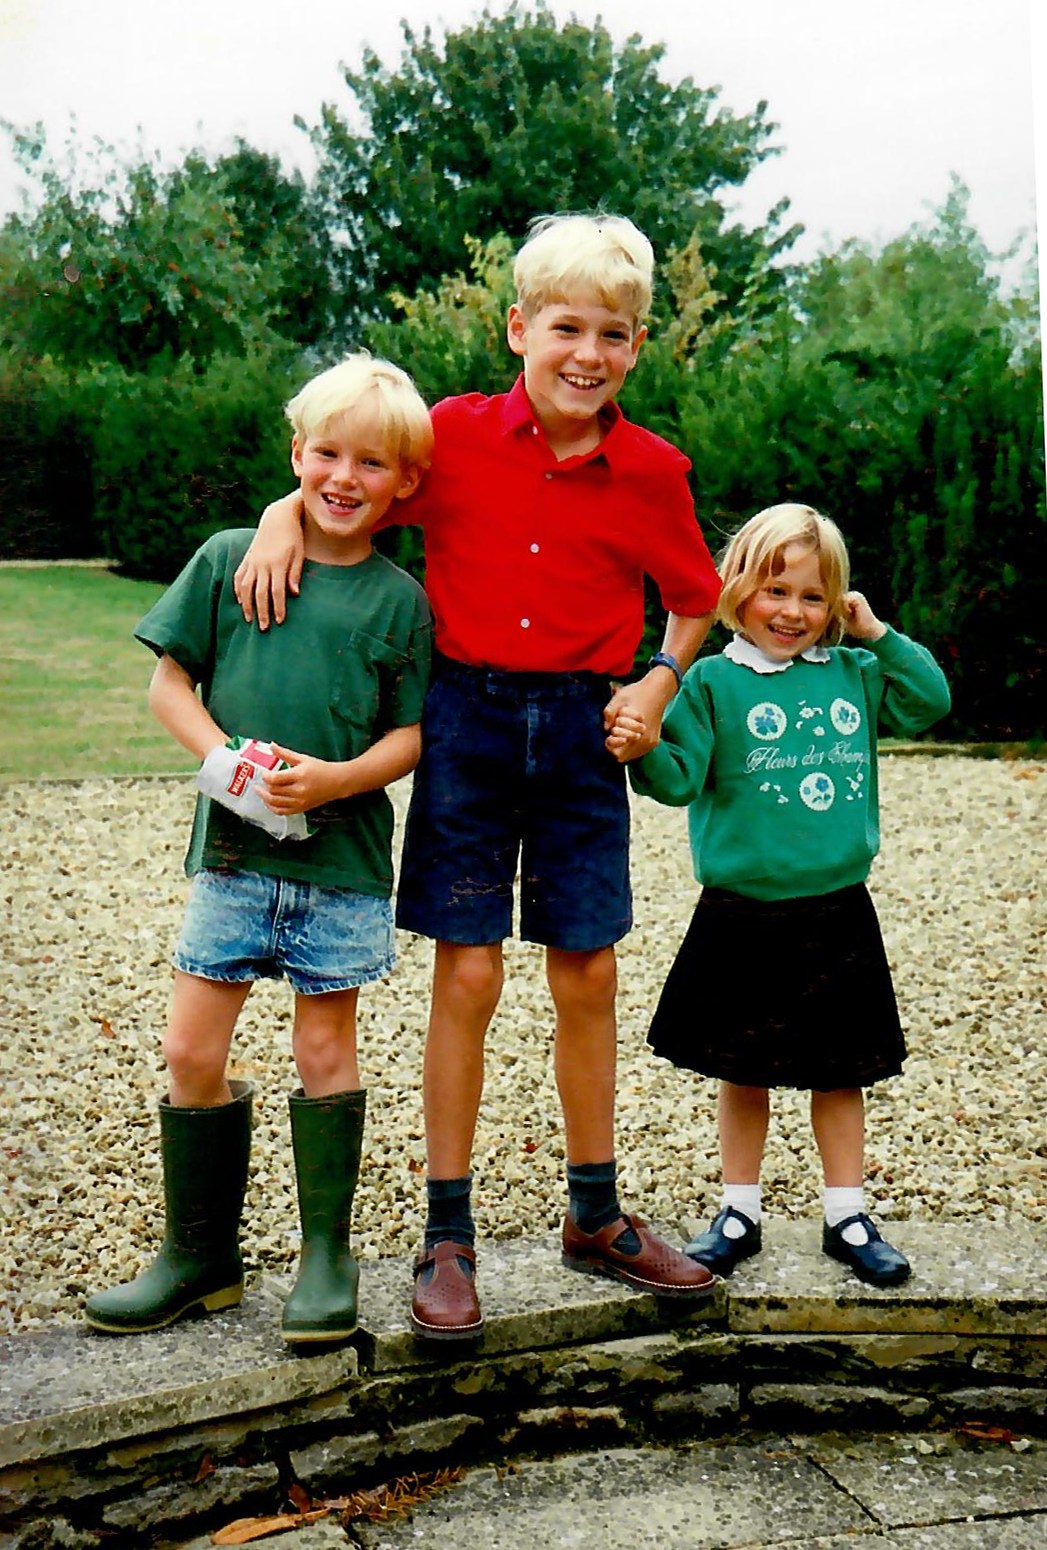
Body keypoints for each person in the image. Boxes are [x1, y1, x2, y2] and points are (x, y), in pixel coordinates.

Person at [234, 212, 722, 1341]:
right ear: (519, 328)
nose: (587, 352)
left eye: (614, 332)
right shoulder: (449, 436)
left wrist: (655, 683)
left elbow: (695, 594)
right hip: (466, 719)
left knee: (586, 972)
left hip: (582, 728)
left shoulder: (652, 470)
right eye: (565, 326)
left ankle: (594, 1213)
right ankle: (445, 1230)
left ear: (637, 346)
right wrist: (274, 513)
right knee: (468, 975)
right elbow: (342, 496)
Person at [84, 354, 434, 1342]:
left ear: (404, 482)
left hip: (342, 868)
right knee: (190, 1047)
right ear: (297, 455)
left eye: (373, 462)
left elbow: (410, 735)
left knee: (325, 1048)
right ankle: (200, 1253)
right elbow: (168, 686)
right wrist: (228, 762)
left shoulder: (401, 602)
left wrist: (332, 779)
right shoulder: (233, 558)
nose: (345, 476)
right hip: (234, 860)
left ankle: (328, 1253)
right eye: (327, 453)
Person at [626, 502, 951, 1288]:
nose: (792, 612)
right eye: (775, 591)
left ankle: (846, 1213)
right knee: (743, 1070)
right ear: (736, 590)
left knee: (839, 1071)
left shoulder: (855, 672)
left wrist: (875, 633)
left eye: (812, 596)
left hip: (836, 907)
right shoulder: (709, 682)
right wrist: (641, 749)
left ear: (835, 603)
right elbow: (677, 780)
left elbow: (930, 701)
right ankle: (738, 1212)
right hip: (740, 913)